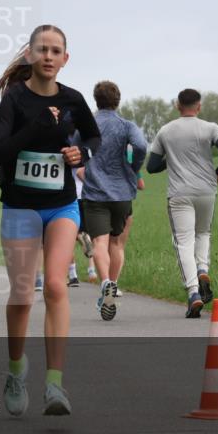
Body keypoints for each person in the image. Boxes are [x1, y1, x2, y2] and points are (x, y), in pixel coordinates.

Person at [0, 25, 100, 417]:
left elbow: (93, 138)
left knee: (54, 285)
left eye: (55, 51)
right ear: (30, 55)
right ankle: (16, 370)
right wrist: (35, 128)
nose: (48, 56)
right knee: (22, 295)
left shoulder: (73, 99)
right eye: (42, 50)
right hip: (21, 207)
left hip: (62, 205)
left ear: (65, 58)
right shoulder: (15, 99)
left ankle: (54, 383)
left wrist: (81, 153)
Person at [146, 89, 218, 318]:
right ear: (199, 106)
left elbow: (151, 167)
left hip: (179, 193)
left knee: (183, 242)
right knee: (203, 233)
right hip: (207, 190)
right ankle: (203, 269)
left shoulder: (166, 131)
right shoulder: (210, 128)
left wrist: (172, 159)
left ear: (178, 105)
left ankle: (193, 292)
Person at [75, 81, 148, 321]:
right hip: (122, 193)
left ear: (96, 100)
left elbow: (73, 148)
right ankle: (113, 285)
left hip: (95, 192)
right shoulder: (126, 125)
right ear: (118, 100)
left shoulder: (87, 124)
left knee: (99, 241)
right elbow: (140, 145)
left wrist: (84, 165)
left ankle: (106, 283)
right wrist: (133, 166)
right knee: (117, 244)